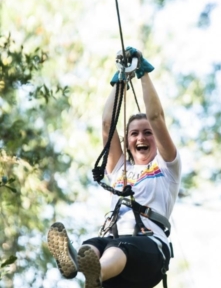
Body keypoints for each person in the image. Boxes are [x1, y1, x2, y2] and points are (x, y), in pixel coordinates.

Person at [47, 48, 181, 288]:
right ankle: (83, 268)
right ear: (127, 141)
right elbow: (108, 125)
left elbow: (157, 117)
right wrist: (119, 81)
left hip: (149, 253)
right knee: (94, 244)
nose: (141, 137)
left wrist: (143, 73)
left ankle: (96, 273)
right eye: (134, 133)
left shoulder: (166, 167)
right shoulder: (120, 169)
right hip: (116, 255)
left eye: (147, 133)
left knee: (118, 247)